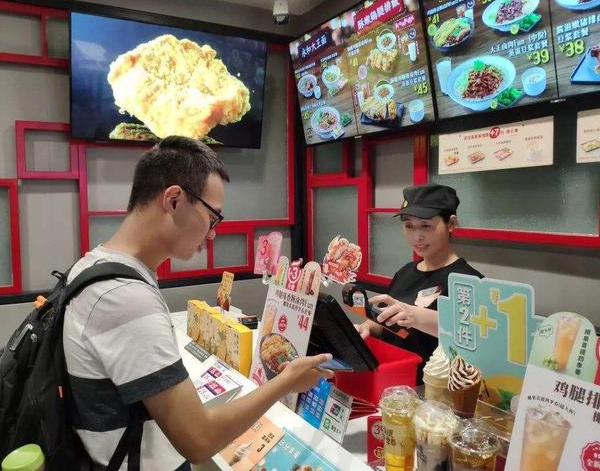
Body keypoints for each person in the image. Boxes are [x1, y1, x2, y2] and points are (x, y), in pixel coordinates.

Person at [63, 136, 334, 470]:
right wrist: (286, 382)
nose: (212, 233)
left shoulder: (94, 264)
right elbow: (199, 440)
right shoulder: (124, 297)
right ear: (174, 200)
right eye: (212, 216)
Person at [355, 184, 483, 383]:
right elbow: (389, 324)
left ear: (451, 224)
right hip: (391, 384)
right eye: (409, 226)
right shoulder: (405, 272)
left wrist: (415, 316)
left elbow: (470, 338)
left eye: (425, 226)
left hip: (433, 392)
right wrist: (367, 328)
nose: (417, 236)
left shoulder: (469, 282)